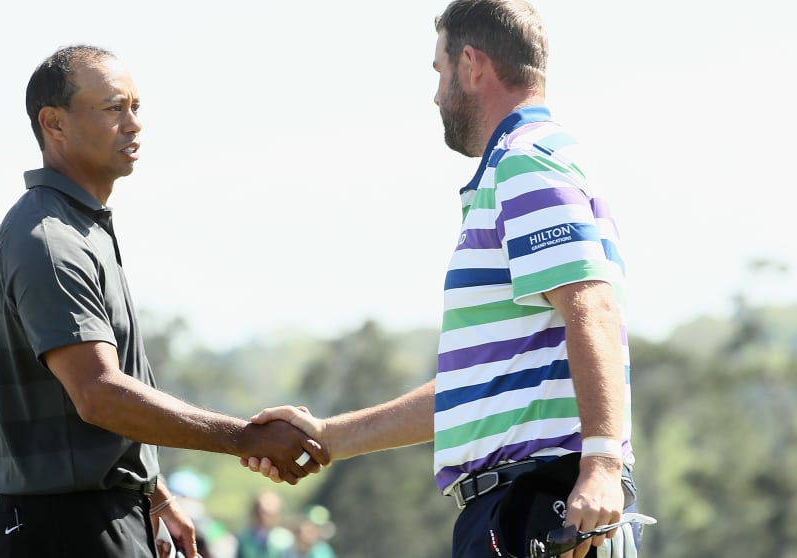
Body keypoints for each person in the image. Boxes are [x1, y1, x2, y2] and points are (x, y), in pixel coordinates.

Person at [245, 1, 643, 557]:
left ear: (472, 64)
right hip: (522, 505)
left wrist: (601, 464)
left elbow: (593, 307)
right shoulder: (524, 164)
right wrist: (331, 436)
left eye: (439, 70)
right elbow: (476, 388)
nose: (435, 94)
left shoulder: (525, 163)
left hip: (542, 503)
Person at [0, 44, 328, 558]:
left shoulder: (79, 225)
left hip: (93, 516)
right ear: (54, 123)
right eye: (112, 108)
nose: (133, 124)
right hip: (66, 529)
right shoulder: (50, 238)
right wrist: (244, 438)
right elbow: (99, 393)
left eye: (136, 108)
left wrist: (154, 493)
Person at [235, 491, 293, 558]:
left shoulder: (285, 538)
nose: (265, 516)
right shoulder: (243, 538)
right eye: (263, 511)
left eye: (270, 513)